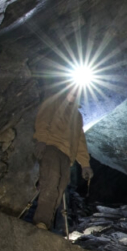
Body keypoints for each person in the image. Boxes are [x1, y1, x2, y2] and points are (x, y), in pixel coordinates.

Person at [32, 86, 93, 230]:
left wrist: (85, 164)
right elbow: (43, 119)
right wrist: (41, 140)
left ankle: (45, 223)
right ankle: (41, 221)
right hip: (51, 147)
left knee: (59, 189)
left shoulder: (77, 116)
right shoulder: (53, 102)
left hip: (67, 156)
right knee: (51, 181)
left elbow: (79, 140)